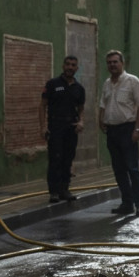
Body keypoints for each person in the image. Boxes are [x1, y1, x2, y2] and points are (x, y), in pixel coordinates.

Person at [98, 50, 139, 217]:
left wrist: (137, 129)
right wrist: (101, 120)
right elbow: (103, 104)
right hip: (112, 131)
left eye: (115, 62)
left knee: (132, 168)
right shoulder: (107, 83)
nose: (112, 65)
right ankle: (127, 203)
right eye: (109, 62)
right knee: (118, 169)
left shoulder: (132, 81)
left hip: (128, 130)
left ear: (122, 63)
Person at [40, 56, 85, 202]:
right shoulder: (52, 84)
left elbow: (81, 108)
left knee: (68, 159)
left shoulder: (79, 88)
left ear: (76, 68)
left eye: (73, 65)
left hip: (71, 128)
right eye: (67, 64)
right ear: (63, 66)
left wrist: (81, 122)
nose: (70, 67)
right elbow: (42, 106)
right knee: (55, 159)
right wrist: (43, 126)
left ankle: (65, 189)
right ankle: (53, 191)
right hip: (55, 126)